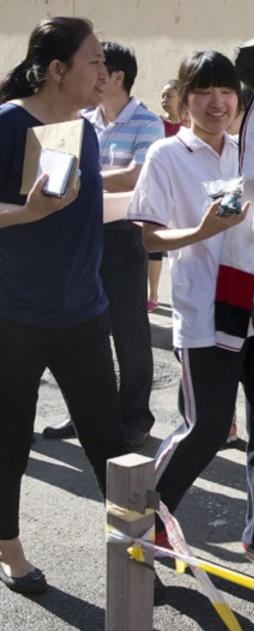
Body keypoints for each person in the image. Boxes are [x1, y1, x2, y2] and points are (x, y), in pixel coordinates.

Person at [130, 50, 254, 575]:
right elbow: (148, 234)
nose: (216, 103)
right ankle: (147, 516)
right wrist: (201, 232)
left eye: (226, 92)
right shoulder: (167, 154)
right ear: (185, 97)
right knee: (207, 427)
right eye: (203, 92)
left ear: (239, 98)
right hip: (206, 308)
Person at [0, 16, 126, 595]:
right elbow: (30, 213)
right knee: (8, 442)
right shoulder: (7, 124)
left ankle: (137, 553)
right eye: (95, 61)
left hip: (83, 314)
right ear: (57, 70)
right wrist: (24, 215)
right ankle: (10, 551)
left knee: (111, 444)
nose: (106, 72)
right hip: (13, 318)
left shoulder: (86, 129)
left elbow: (82, 212)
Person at [43, 40, 161, 449]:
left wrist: (84, 176)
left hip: (122, 235)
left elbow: (135, 177)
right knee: (82, 331)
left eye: (98, 69)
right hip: (79, 234)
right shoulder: (82, 120)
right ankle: (86, 412)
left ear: (117, 78)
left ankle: (136, 418)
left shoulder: (147, 122)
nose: (91, 76)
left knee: (129, 332)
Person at [148, 78, 186, 311]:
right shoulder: (155, 124)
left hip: (180, 191)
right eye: (162, 95)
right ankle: (152, 295)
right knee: (155, 246)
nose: (164, 100)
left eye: (169, 95)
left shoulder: (190, 125)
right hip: (162, 189)